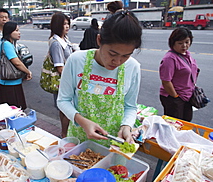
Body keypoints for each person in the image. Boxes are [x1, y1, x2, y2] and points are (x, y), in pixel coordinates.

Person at [57, 10, 142, 147]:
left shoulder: (133, 67)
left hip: (114, 142)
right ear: (99, 40)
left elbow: (130, 106)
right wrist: (82, 121)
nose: (118, 61)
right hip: (81, 137)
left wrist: (126, 126)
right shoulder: (77, 60)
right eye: (112, 54)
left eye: (126, 56)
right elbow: (63, 100)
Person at [159, 27, 198, 122]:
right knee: (174, 125)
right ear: (173, 43)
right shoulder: (170, 59)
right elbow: (166, 81)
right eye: (180, 43)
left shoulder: (186, 54)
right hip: (174, 98)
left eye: (187, 42)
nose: (184, 46)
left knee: (186, 122)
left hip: (187, 96)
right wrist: (175, 96)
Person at [49, 12, 73, 138]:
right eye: (64, 24)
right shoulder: (56, 43)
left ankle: (67, 133)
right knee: (65, 110)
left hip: (67, 80)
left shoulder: (64, 40)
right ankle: (64, 135)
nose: (67, 26)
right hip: (63, 82)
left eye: (68, 23)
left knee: (67, 110)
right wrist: (72, 81)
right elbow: (60, 68)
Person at [0, 22, 32, 109]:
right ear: (9, 32)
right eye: (16, 30)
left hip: (11, 83)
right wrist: (28, 72)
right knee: (14, 110)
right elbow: (16, 62)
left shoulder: (5, 43)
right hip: (10, 84)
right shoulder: (7, 44)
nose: (19, 33)